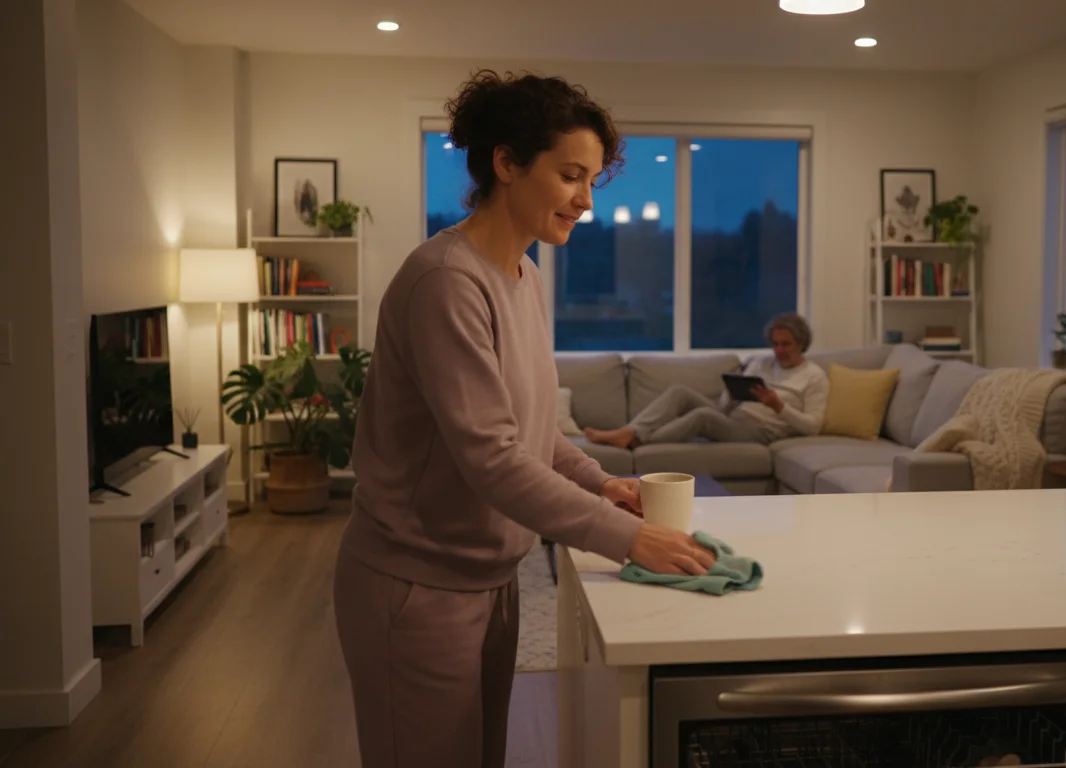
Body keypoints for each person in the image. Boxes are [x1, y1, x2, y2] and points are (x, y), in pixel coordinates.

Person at [331, 69, 716, 768]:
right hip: (415, 589)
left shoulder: (524, 276)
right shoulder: (446, 281)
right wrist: (628, 537)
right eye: (572, 175)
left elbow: (532, 438)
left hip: (489, 580)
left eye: (593, 181)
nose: (586, 201)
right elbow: (492, 460)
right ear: (506, 163)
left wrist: (600, 483)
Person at [585, 313, 830, 448]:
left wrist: (779, 407)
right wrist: (731, 395)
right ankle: (630, 431)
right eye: (775, 343)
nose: (779, 350)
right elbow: (725, 408)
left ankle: (635, 440)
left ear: (802, 343)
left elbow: (813, 426)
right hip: (732, 418)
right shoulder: (760, 363)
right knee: (680, 392)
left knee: (704, 417)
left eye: (786, 344)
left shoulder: (814, 376)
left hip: (761, 432)